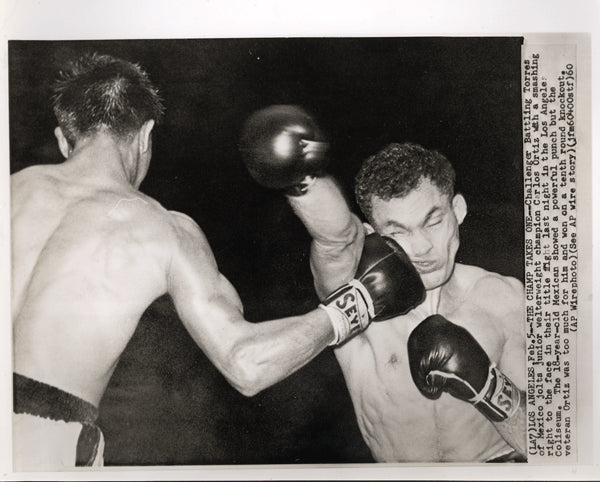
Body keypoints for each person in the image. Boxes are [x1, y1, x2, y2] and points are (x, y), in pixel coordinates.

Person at [11, 55, 424, 470]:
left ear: (64, 139)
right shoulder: (164, 230)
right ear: (144, 136)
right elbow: (246, 363)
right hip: (45, 447)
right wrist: (360, 303)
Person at [240, 107, 526, 463]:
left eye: (433, 222)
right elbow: (336, 239)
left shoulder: (506, 299)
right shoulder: (357, 297)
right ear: (374, 234)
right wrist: (303, 179)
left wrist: (486, 386)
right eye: (398, 231)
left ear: (459, 210)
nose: (421, 247)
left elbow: (556, 445)